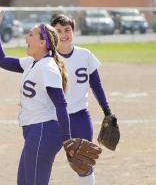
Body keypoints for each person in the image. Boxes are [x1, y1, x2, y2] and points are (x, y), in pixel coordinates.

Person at [0, 11, 71, 185]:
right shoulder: (32, 62)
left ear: (43, 43)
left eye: (31, 34)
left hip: (44, 131)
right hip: (35, 132)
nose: (26, 37)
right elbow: (0, 59)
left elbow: (61, 105)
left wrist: (68, 140)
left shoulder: (47, 67)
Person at [51, 14, 113, 185]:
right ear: (53, 33)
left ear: (73, 31)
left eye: (67, 30)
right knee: (44, 160)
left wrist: (107, 111)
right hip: (53, 119)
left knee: (84, 163)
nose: (63, 35)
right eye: (58, 31)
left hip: (80, 118)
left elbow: (96, 85)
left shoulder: (85, 55)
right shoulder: (48, 58)